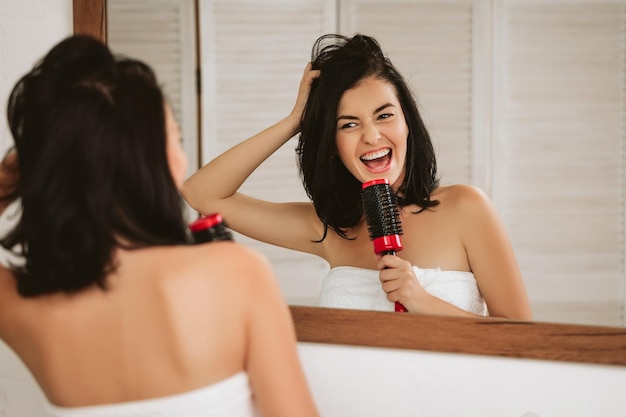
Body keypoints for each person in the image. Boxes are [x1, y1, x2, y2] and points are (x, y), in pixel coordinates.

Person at [0, 35, 320, 417]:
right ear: (155, 161)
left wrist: (23, 167)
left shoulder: (22, 307)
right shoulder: (236, 274)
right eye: (177, 139)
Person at [182, 33, 533, 320]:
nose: (371, 136)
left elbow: (524, 339)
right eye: (348, 124)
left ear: (406, 122)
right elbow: (202, 194)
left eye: (384, 116)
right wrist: (296, 121)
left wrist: (425, 304)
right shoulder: (329, 229)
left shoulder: (466, 208)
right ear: (332, 145)